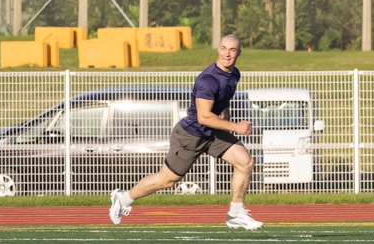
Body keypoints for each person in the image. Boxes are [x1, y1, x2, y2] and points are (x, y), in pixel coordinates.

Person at [109, 33, 262, 230]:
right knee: (167, 180)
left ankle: (236, 213)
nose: (227, 54)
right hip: (191, 135)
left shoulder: (234, 74)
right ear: (218, 49)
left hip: (213, 133)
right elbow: (204, 117)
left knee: (245, 162)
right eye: (224, 48)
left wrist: (226, 117)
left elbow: (221, 102)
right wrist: (235, 127)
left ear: (239, 53)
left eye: (232, 50)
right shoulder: (208, 79)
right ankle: (122, 199)